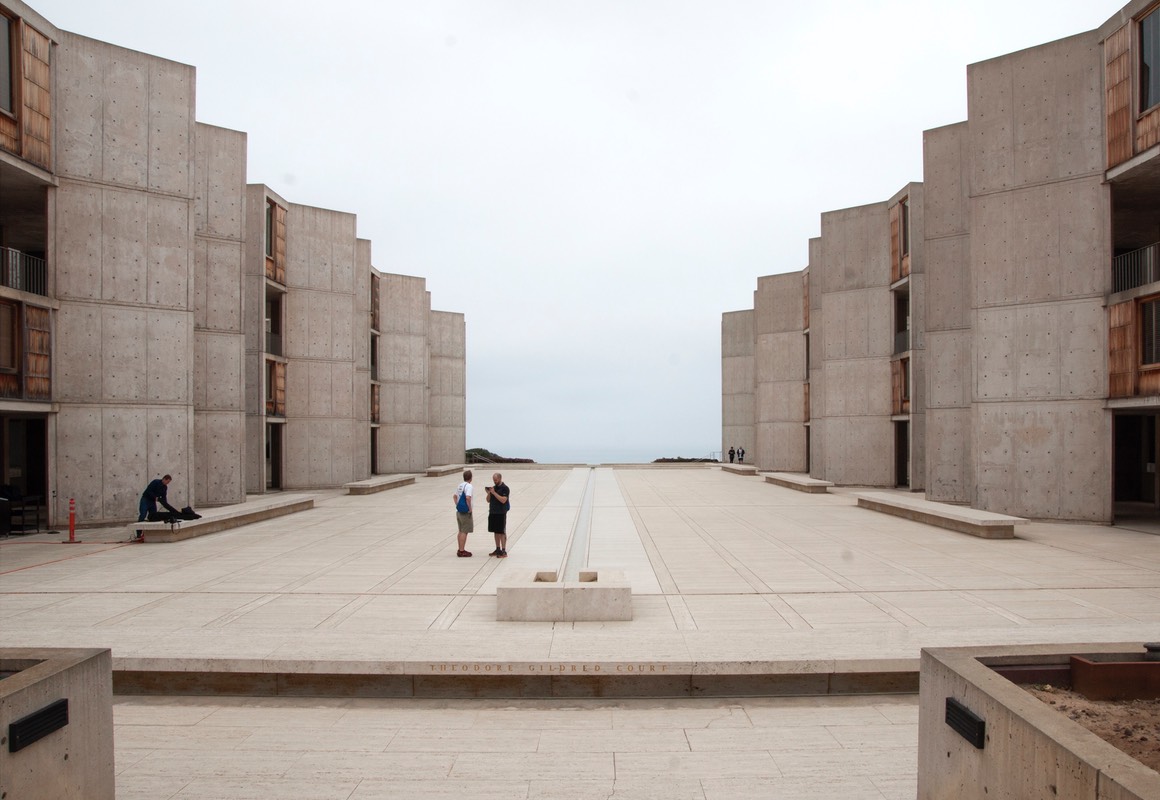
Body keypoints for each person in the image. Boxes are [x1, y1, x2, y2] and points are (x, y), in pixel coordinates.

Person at [135, 474, 178, 540]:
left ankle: (150, 533)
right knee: (143, 515)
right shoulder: (155, 482)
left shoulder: (165, 487)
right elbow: (149, 491)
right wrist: (155, 498)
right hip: (146, 500)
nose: (168, 483)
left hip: (152, 502)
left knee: (153, 516)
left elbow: (164, 498)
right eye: (167, 482)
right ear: (164, 479)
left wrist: (170, 508)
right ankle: (138, 533)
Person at [485, 472, 511, 557]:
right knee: (496, 531)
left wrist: (495, 493)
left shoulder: (505, 488)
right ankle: (497, 548)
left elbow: (503, 500)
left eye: (495, 480)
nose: (494, 481)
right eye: (493, 480)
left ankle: (504, 551)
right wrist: (489, 493)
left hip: (501, 512)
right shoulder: (493, 488)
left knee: (502, 531)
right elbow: (488, 500)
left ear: (500, 479)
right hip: (493, 512)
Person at [453, 469, 474, 557]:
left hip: (459, 511)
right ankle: (462, 551)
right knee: (465, 531)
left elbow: (454, 496)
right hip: (465, 512)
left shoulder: (460, 485)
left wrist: (458, 505)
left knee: (460, 530)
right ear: (471, 478)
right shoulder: (469, 486)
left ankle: (459, 549)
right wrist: (469, 509)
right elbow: (468, 498)